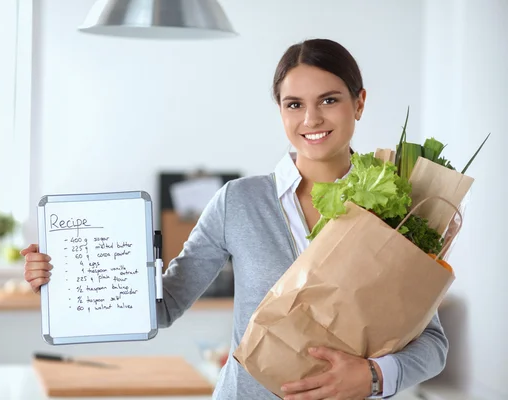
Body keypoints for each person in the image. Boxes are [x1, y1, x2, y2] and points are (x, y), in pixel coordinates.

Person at [22, 38, 448, 400]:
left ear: (359, 103)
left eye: (329, 100)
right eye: (293, 104)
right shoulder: (239, 202)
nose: (311, 119)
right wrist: (65, 277)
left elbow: (433, 344)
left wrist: (372, 377)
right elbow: (163, 307)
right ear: (280, 111)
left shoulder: (397, 210)